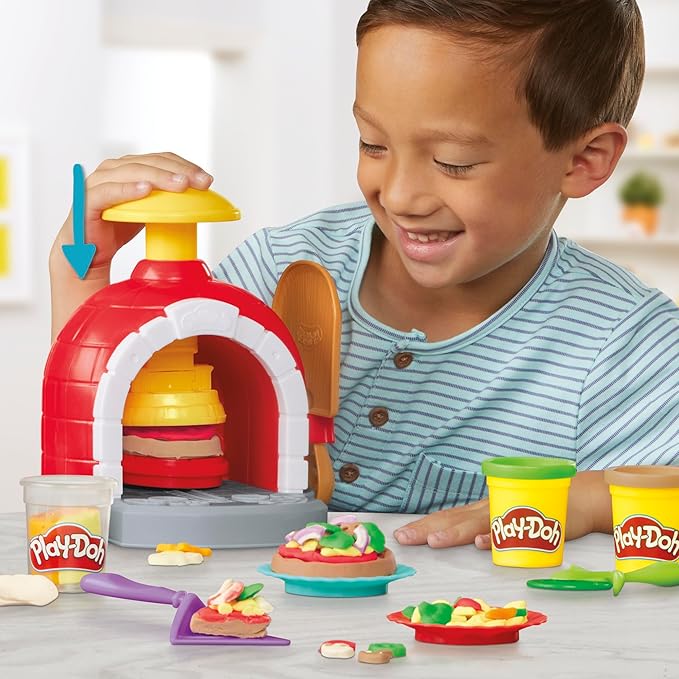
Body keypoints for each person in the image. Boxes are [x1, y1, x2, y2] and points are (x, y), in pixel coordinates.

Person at [49, 0, 679, 551]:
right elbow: (112, 451)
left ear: (584, 160)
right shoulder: (276, 272)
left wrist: (584, 500)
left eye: (453, 162)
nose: (399, 194)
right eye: (373, 144)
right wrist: (86, 280)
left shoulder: (626, 346)